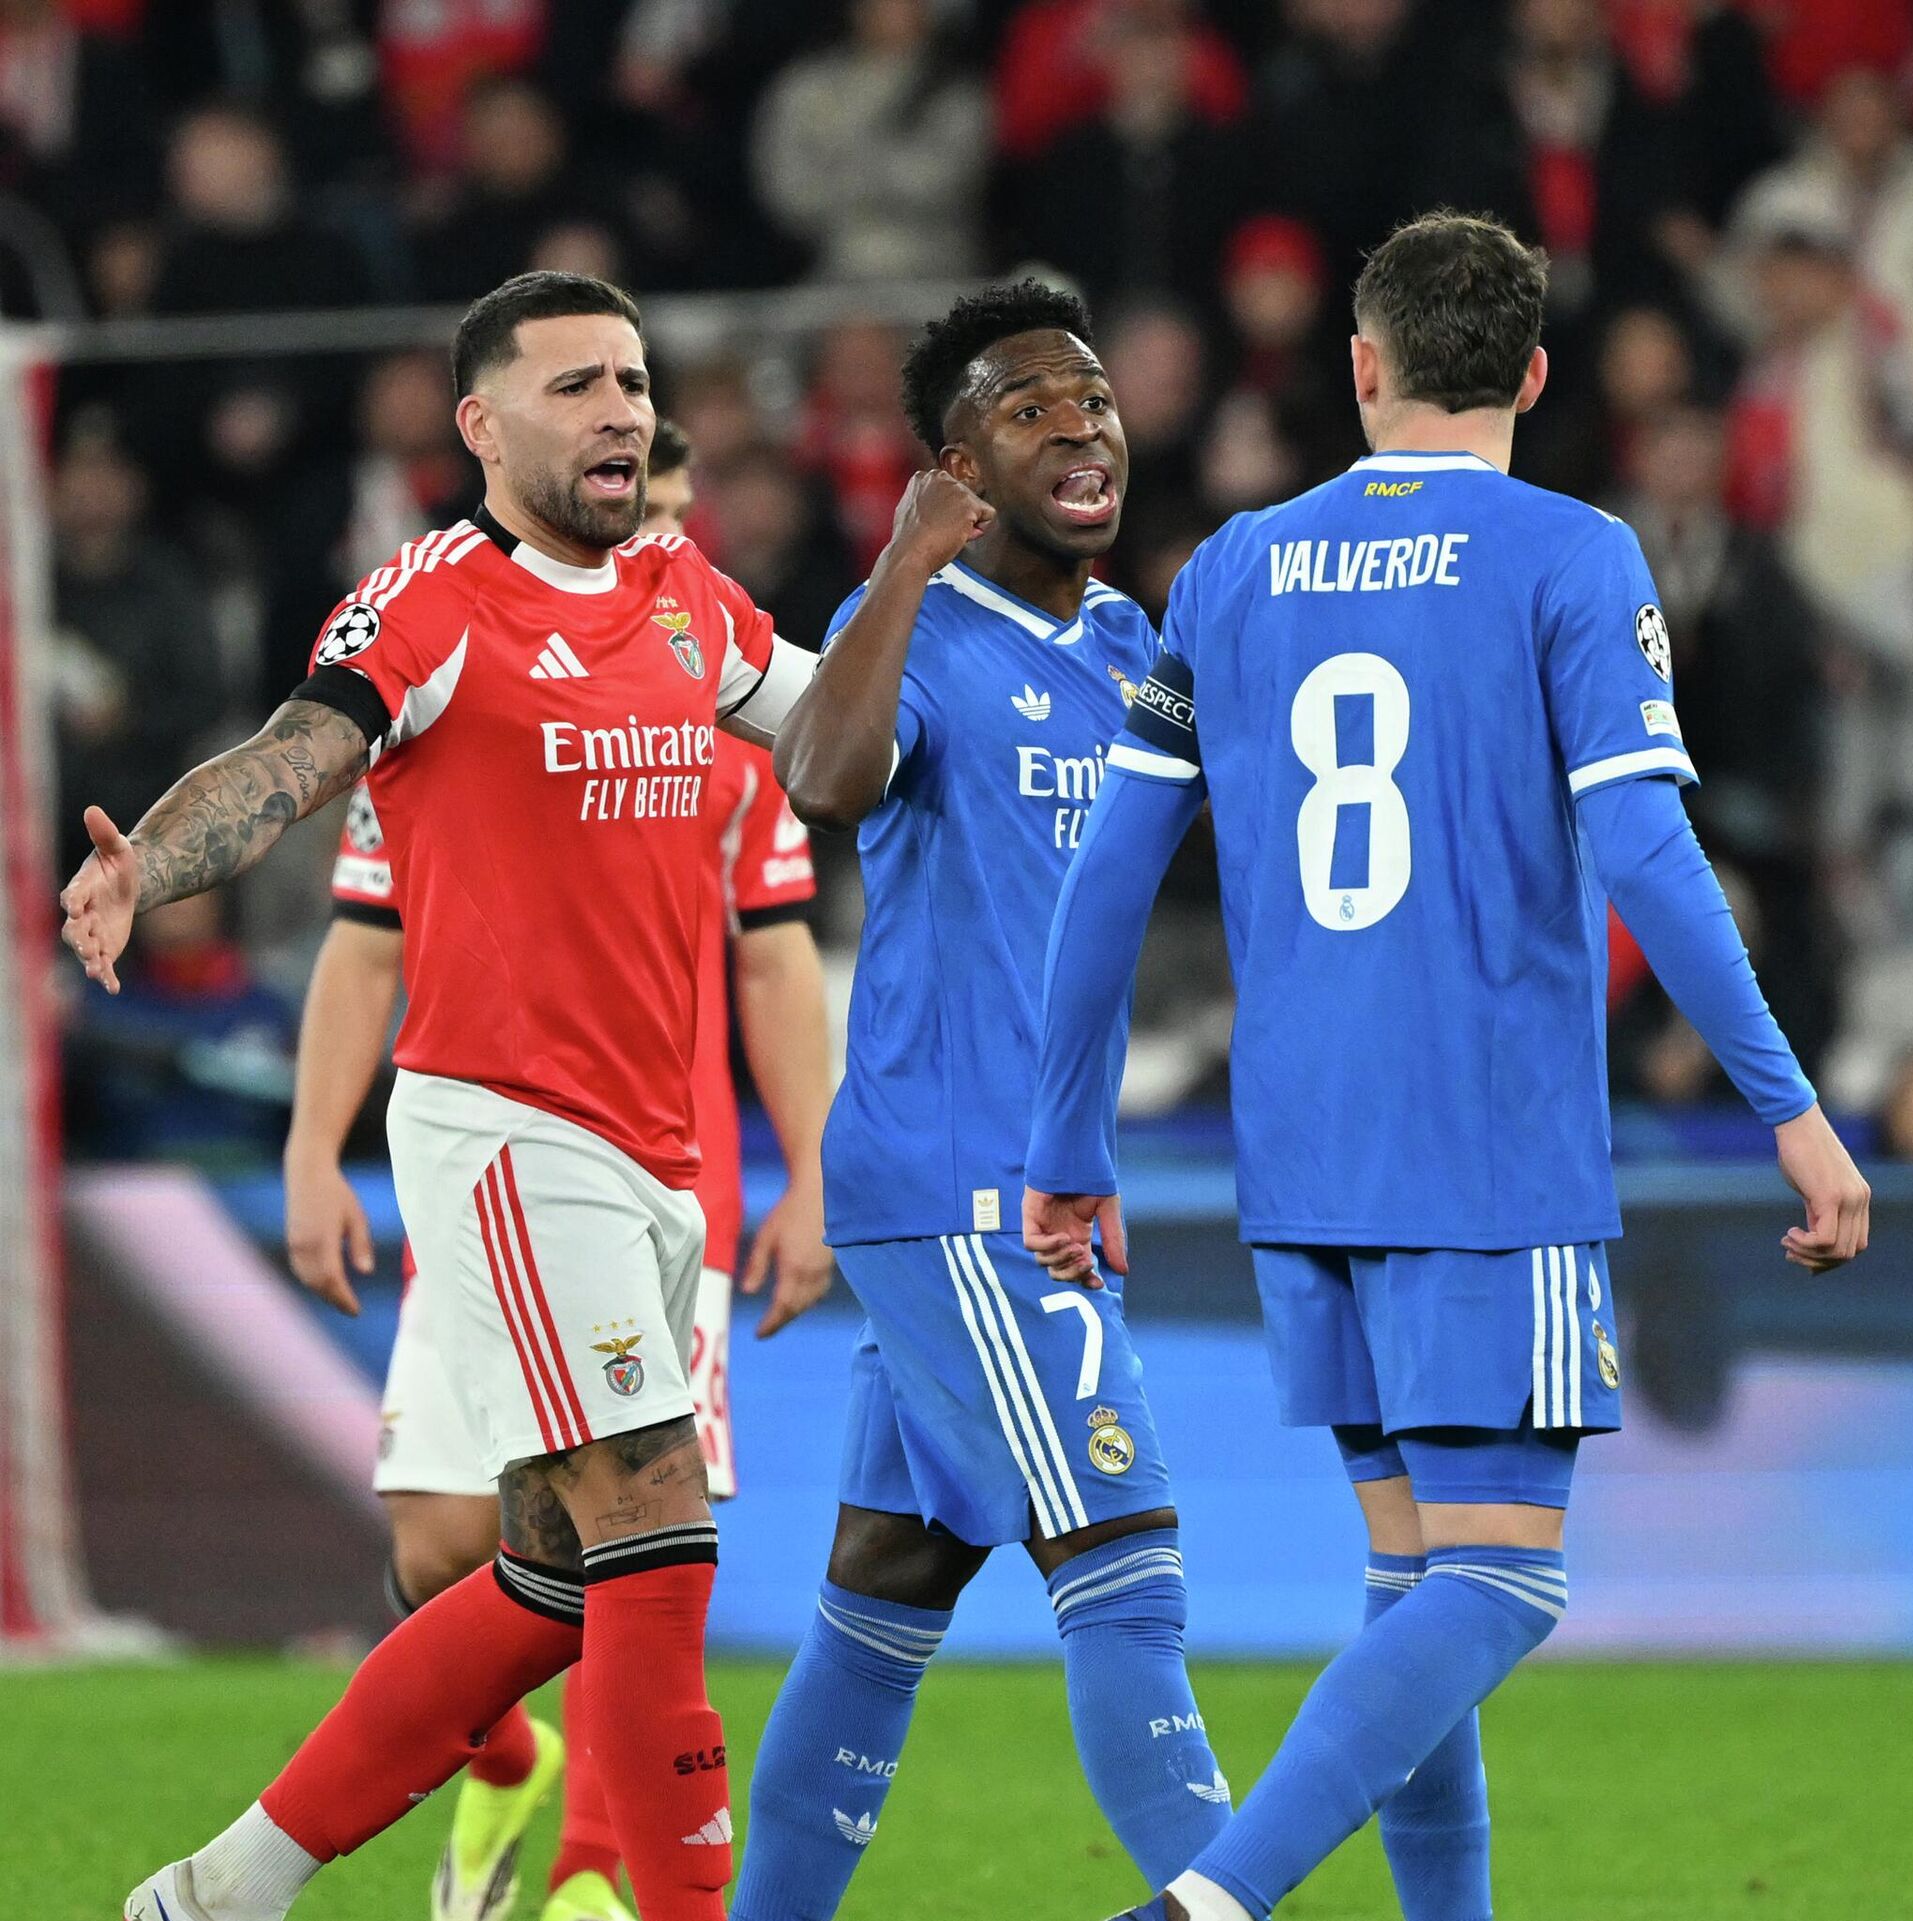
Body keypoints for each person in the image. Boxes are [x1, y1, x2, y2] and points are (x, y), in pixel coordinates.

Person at [1020, 212, 1872, 1921]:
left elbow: (1108, 874)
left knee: (1416, 1578)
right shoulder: (1574, 555)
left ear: (1362, 366)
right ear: (1535, 374)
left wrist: (1065, 1142)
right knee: (1502, 1582)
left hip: (1302, 1152)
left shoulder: (1233, 568)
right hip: (1486, 1146)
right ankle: (1205, 1903)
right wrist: (1792, 1106)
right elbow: (1648, 852)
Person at [65, 269, 819, 1921]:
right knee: (656, 1520)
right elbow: (291, 755)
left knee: (549, 1577)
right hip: (509, 1127)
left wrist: (928, 590)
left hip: (659, 1149)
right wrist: (152, 865)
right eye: (577, 385)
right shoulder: (428, 604)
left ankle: (218, 1891)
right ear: (480, 424)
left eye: (633, 380)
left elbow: (832, 725)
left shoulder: (683, 594)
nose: (621, 410)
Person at [281, 420, 833, 1921]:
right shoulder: (450, 695)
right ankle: (487, 1756)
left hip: (669, 1182)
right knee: (446, 1541)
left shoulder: (725, 708)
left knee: (636, 1546)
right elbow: (366, 941)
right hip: (496, 1165)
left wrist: (814, 1169)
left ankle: (595, 1878)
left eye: (669, 511)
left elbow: (776, 960)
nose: (648, 538)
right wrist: (314, 1147)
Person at [731, 282, 1232, 1921]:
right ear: (956, 466)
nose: (1082, 427)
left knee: (883, 1592)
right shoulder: (923, 630)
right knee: (1124, 1562)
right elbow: (821, 780)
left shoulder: (1135, 648)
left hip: (1034, 1178)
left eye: (1094, 400)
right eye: (1030, 408)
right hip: (959, 1181)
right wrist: (900, 563)